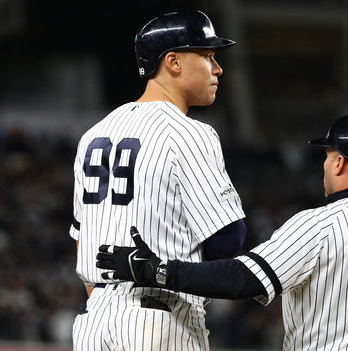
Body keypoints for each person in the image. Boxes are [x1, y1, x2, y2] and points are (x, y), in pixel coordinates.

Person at [98, 114, 348, 350]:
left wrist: (158, 271)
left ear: (340, 162)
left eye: (329, 154)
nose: (325, 162)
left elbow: (243, 278)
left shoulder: (321, 224)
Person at [70, 9, 246, 351]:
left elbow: (82, 240)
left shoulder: (93, 135)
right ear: (174, 62)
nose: (218, 68)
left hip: (93, 321)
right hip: (160, 318)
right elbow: (228, 238)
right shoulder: (190, 133)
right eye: (207, 56)